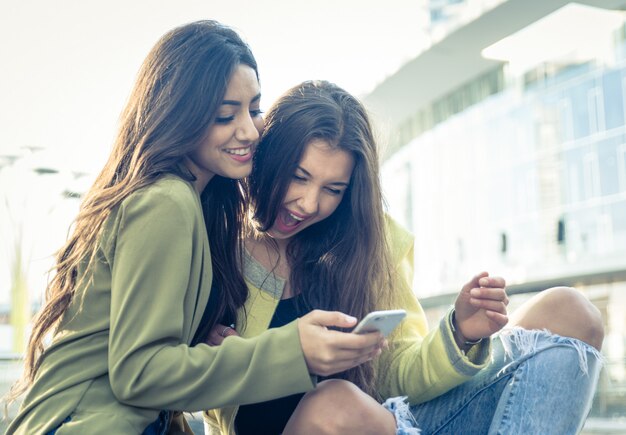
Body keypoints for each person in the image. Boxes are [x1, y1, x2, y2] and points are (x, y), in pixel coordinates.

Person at [5, 24, 386, 435]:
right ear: (180, 114)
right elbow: (140, 373)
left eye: (253, 110)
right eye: (226, 115)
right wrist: (293, 350)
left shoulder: (192, 203)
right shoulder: (165, 200)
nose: (249, 130)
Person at [203, 80, 604, 434]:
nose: (309, 204)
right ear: (269, 157)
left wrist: (460, 333)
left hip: (394, 423)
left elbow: (397, 375)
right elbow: (163, 374)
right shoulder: (213, 244)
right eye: (300, 176)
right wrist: (240, 360)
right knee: (334, 403)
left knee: (570, 311)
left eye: (334, 189)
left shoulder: (365, 244)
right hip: (325, 421)